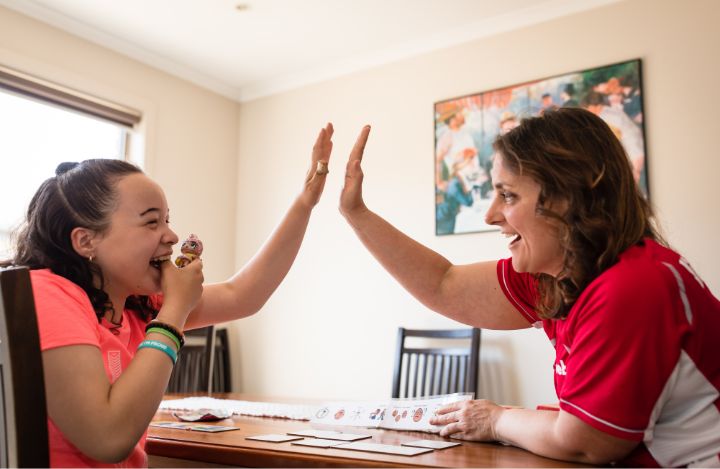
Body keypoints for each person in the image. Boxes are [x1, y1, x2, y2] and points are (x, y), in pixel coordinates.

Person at [338, 109, 720, 467]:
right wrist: (357, 214)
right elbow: (444, 284)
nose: (490, 215)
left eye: (507, 195)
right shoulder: (559, 276)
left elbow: (584, 441)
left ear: (569, 198)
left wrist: (497, 419)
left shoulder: (634, 285)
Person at [7, 123, 334, 467]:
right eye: (152, 223)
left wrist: (305, 202)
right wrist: (175, 309)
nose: (172, 236)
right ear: (86, 241)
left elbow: (244, 295)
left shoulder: (135, 306)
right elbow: (107, 439)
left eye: (167, 220)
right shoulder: (45, 294)